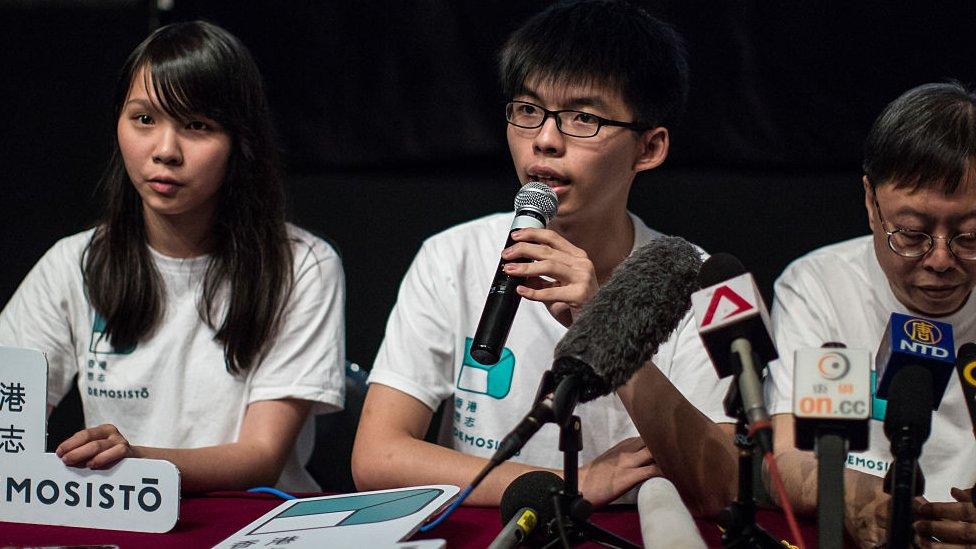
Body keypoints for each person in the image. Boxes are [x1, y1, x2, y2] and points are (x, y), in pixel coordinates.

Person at [352, 0, 736, 514]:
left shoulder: (701, 277)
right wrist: (571, 480)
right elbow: (377, 457)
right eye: (529, 110)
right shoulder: (453, 255)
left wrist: (602, 323)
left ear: (649, 148)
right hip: (500, 522)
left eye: (583, 117)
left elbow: (722, 487)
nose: (546, 140)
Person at [0, 21, 345, 493]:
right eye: (144, 119)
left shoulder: (302, 265)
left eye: (197, 125)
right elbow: (8, 416)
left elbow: (262, 457)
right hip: (121, 518)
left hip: (256, 522)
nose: (165, 151)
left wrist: (137, 459)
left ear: (239, 142)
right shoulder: (73, 263)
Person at [766, 82, 976, 546]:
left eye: (969, 236)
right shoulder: (819, 286)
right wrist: (848, 495)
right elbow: (790, 455)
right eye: (912, 233)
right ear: (869, 202)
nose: (941, 260)